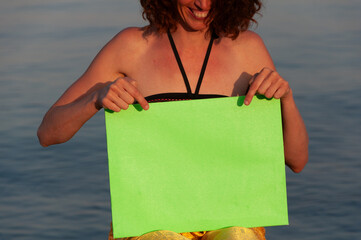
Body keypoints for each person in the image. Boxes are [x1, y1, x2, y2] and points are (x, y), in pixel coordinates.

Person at [38, 0, 309, 239]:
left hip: (233, 219)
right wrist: (95, 97)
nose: (204, 4)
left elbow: (297, 161)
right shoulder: (131, 46)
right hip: (151, 221)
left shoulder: (248, 49)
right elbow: (48, 133)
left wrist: (286, 99)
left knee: (238, 236)